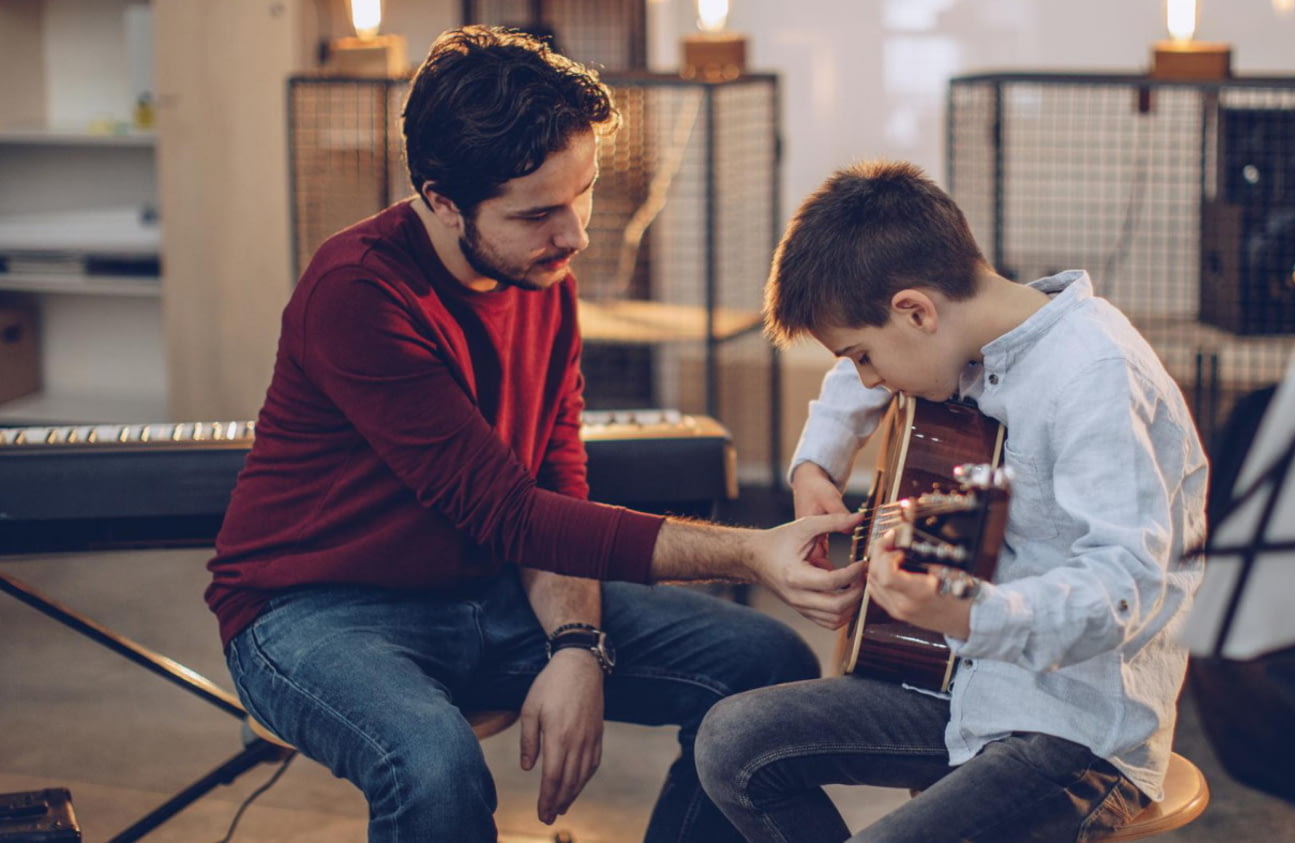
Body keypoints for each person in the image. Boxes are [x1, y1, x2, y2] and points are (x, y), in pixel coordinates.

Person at [205, 26, 863, 843]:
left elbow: (553, 473)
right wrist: (749, 551)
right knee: (433, 766)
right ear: (442, 200)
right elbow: (512, 515)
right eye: (540, 212)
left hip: (487, 591)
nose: (576, 234)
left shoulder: (540, 267)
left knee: (767, 672)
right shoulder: (356, 292)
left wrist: (578, 643)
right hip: (315, 610)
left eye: (582, 194)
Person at [695, 160, 1209, 842]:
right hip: (960, 687)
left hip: (1075, 733)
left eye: (863, 357)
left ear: (916, 310)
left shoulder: (1094, 376)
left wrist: (965, 612)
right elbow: (875, 369)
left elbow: (1123, 590)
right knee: (733, 742)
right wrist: (818, 458)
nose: (869, 379)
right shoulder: (964, 338)